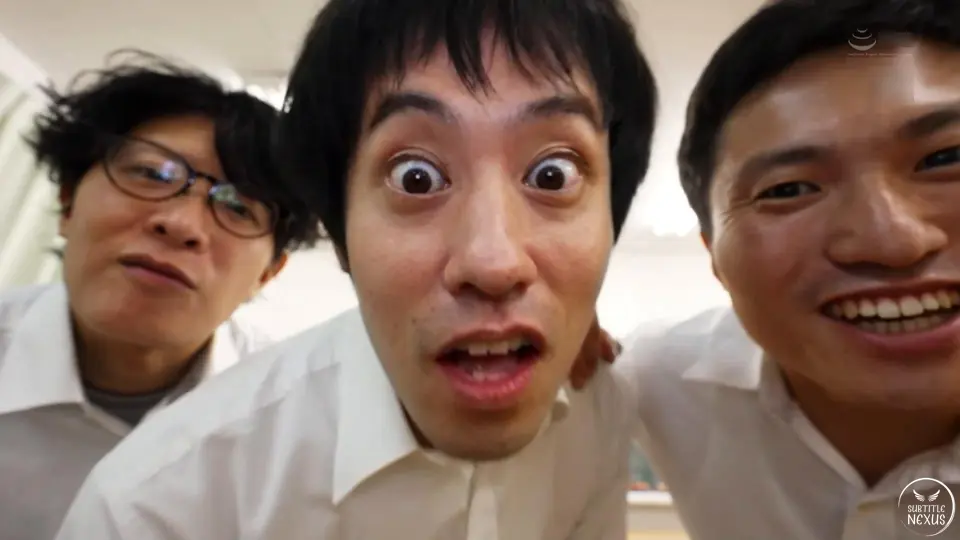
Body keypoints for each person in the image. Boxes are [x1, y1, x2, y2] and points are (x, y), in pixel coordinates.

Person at [53, 1, 657, 538]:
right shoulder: (155, 509)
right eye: (415, 177)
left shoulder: (600, 410)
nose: (493, 262)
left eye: (553, 174)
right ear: (340, 233)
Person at [583, 0, 960, 538]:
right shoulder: (658, 382)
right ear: (714, 255)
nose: (892, 240)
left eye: (945, 159)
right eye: (788, 189)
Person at [0, 53, 320, 539]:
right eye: (152, 174)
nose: (181, 224)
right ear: (67, 202)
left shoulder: (296, 422)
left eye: (238, 207)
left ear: (268, 274)